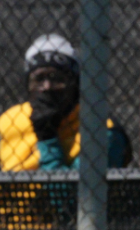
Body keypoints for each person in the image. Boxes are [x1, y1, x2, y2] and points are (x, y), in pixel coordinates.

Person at [0, 35, 130, 172]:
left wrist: (47, 139)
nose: (47, 87)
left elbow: (73, 191)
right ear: (28, 85)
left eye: (56, 79)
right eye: (38, 79)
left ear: (74, 84)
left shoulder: (101, 130)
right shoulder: (8, 121)